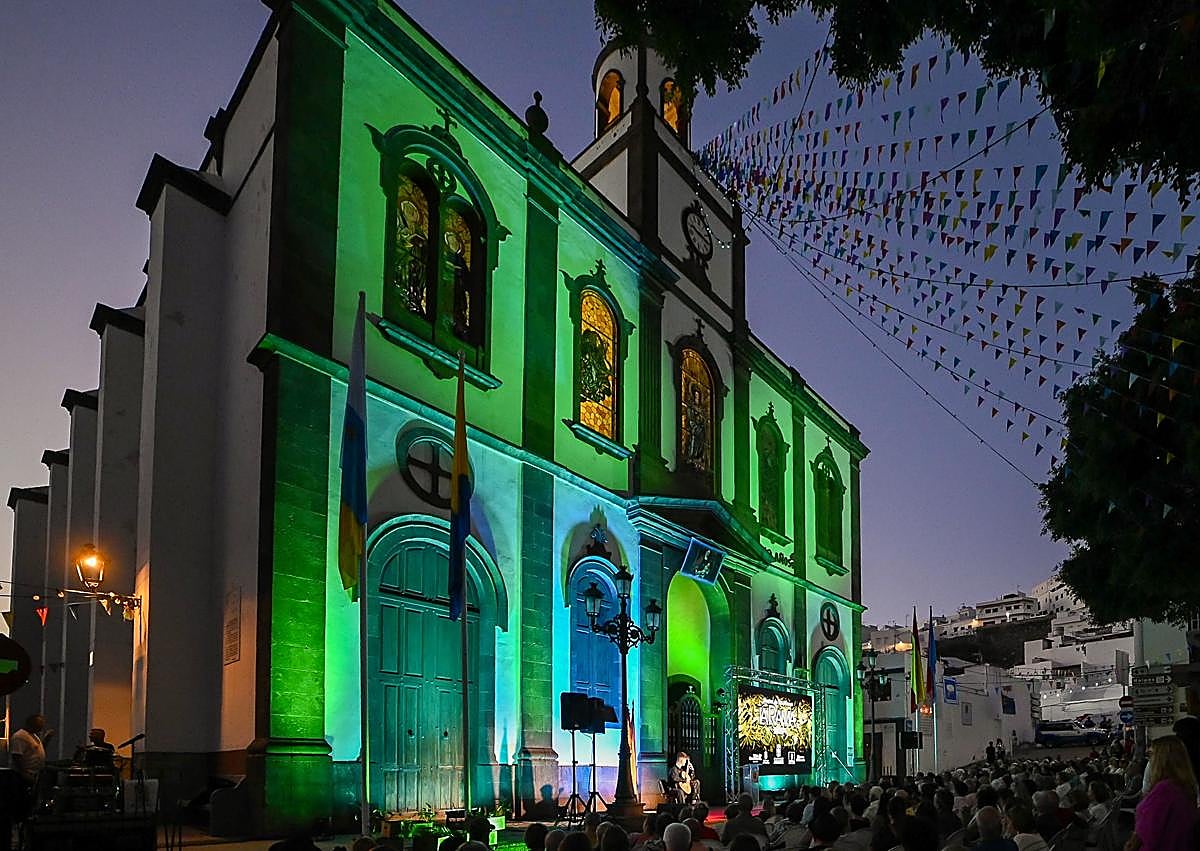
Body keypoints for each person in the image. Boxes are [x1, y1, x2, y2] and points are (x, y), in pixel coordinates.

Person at [1129, 734, 1199, 850]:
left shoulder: (1164, 790)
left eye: (1151, 754)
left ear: (1161, 759)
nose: (1149, 760)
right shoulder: (1186, 786)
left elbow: (1149, 834)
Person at [9, 714, 52, 788]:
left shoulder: (33, 735)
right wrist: (24, 773)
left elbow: (36, 750)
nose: (41, 727)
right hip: (23, 776)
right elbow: (16, 756)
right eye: (39, 725)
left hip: (33, 774)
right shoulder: (20, 736)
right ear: (31, 724)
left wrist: (46, 739)